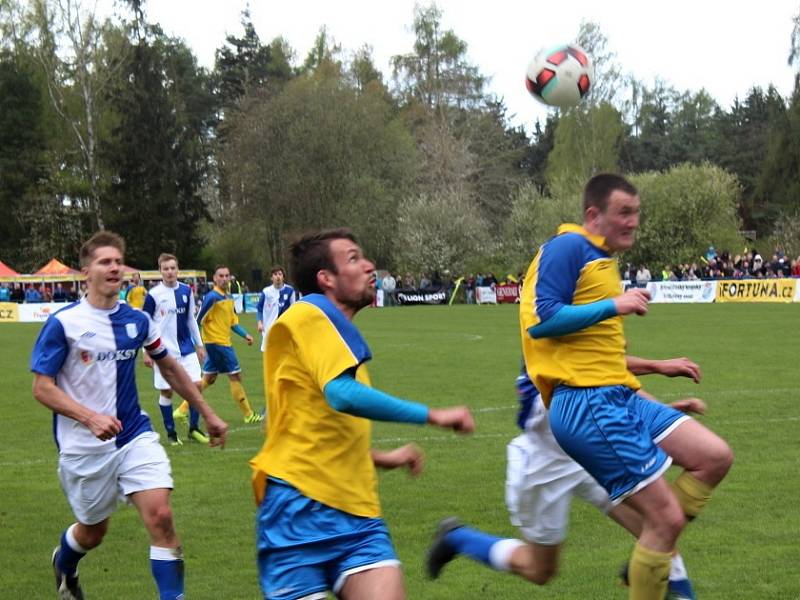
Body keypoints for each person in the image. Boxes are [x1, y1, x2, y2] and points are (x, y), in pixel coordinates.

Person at [518, 174, 732, 599]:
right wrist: (615, 305)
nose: (634, 222)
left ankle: (647, 557)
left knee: (714, 457)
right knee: (666, 520)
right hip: (585, 403)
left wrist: (658, 367)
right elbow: (543, 322)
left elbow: (596, 354)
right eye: (624, 212)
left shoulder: (601, 258)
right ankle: (652, 555)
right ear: (593, 215)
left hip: (617, 393)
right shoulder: (567, 248)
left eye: (636, 212)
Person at [249, 228, 475, 600]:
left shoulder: (331, 344)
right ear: (326, 279)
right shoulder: (309, 312)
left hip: (358, 514)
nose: (369, 265)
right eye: (353, 258)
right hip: (297, 513)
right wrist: (433, 415)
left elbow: (306, 427)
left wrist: (381, 457)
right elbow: (342, 396)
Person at [30, 231, 228, 600]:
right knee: (93, 532)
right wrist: (89, 417)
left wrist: (208, 413)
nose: (114, 267)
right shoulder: (64, 323)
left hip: (133, 434)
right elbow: (42, 388)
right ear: (86, 271)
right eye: (105, 261)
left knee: (162, 517)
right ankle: (66, 563)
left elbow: (170, 368)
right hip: (84, 448)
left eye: (118, 261)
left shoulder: (136, 320)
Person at [427, 355, 704, 599]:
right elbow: (592, 367)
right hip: (544, 464)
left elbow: (612, 377)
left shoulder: (591, 325)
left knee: (660, 524)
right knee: (540, 570)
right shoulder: (547, 328)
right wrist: (657, 366)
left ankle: (665, 583)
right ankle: (457, 538)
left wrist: (661, 412)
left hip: (593, 449)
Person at [175, 265, 262, 424]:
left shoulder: (228, 298)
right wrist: (198, 344)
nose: (224, 279)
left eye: (226, 276)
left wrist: (246, 335)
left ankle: (181, 410)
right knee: (235, 375)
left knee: (209, 379)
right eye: (220, 276)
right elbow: (197, 321)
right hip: (217, 344)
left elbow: (233, 323)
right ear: (214, 278)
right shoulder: (212, 297)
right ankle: (249, 414)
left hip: (221, 343)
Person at [142, 253, 209, 445]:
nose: (170, 272)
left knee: (196, 387)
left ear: (177, 269)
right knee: (167, 392)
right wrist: (146, 351)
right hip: (162, 353)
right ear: (160, 271)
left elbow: (190, 320)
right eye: (166, 268)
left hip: (187, 350)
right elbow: (144, 323)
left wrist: (200, 345)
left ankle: (194, 429)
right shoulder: (154, 295)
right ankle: (171, 434)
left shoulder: (186, 291)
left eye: (173, 268)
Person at [256, 265, 296, 352]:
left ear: (283, 277)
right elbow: (259, 309)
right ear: (271, 277)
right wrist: (259, 323)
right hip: (269, 329)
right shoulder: (266, 292)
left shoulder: (290, 291)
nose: (278, 276)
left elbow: (294, 310)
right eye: (275, 274)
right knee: (270, 358)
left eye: (280, 274)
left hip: (284, 329)